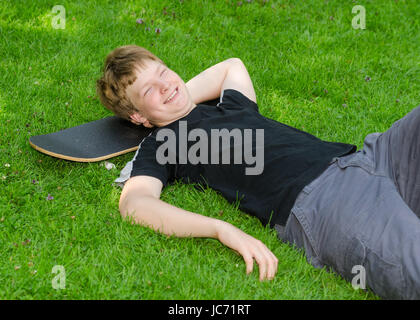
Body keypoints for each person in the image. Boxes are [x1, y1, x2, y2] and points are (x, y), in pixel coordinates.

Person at [96, 45, 420, 299]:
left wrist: (174, 101)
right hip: (325, 202)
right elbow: (134, 204)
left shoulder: (232, 106)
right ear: (137, 116)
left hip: (372, 157)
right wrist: (221, 229)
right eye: (149, 90)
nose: (166, 85)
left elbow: (231, 66)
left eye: (164, 73)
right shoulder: (163, 144)